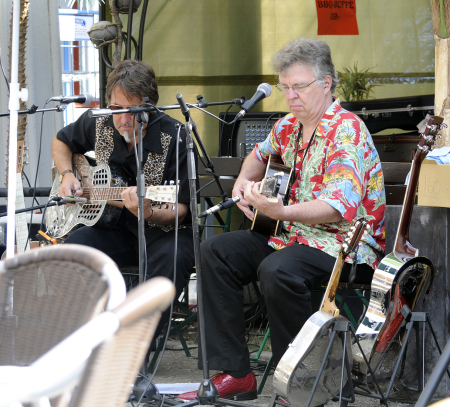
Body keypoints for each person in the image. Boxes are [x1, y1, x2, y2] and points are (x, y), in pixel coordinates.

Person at [179, 37, 385, 402]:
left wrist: (282, 212)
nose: (290, 95)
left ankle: (306, 383)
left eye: (299, 86)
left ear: (326, 83)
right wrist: (243, 183)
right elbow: (259, 156)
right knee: (215, 251)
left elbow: (337, 208)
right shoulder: (288, 126)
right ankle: (237, 374)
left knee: (279, 269)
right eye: (285, 87)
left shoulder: (346, 131)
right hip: (290, 235)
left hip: (343, 244)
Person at [51, 59, 195, 343]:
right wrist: (68, 174)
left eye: (133, 111)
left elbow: (181, 208)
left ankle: (136, 343)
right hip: (113, 229)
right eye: (116, 109)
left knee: (173, 257)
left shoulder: (176, 136)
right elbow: (61, 141)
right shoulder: (99, 122)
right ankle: (91, 334)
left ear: (150, 105)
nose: (123, 119)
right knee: (75, 249)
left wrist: (149, 211)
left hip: (163, 233)